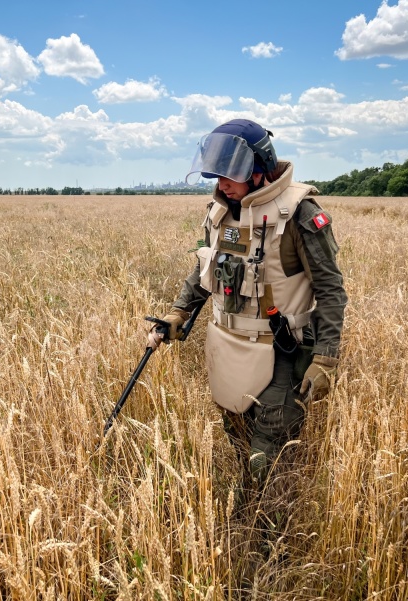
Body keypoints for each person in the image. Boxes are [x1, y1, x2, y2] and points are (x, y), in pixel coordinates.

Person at [148, 119, 347, 489]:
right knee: (238, 437)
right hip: (227, 348)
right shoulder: (219, 211)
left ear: (258, 169)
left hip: (280, 353)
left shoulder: (300, 213)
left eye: (230, 174)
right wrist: (179, 312)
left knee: (267, 454)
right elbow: (206, 268)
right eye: (216, 174)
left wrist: (325, 359)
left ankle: (270, 537)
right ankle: (249, 508)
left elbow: (331, 288)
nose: (221, 183)